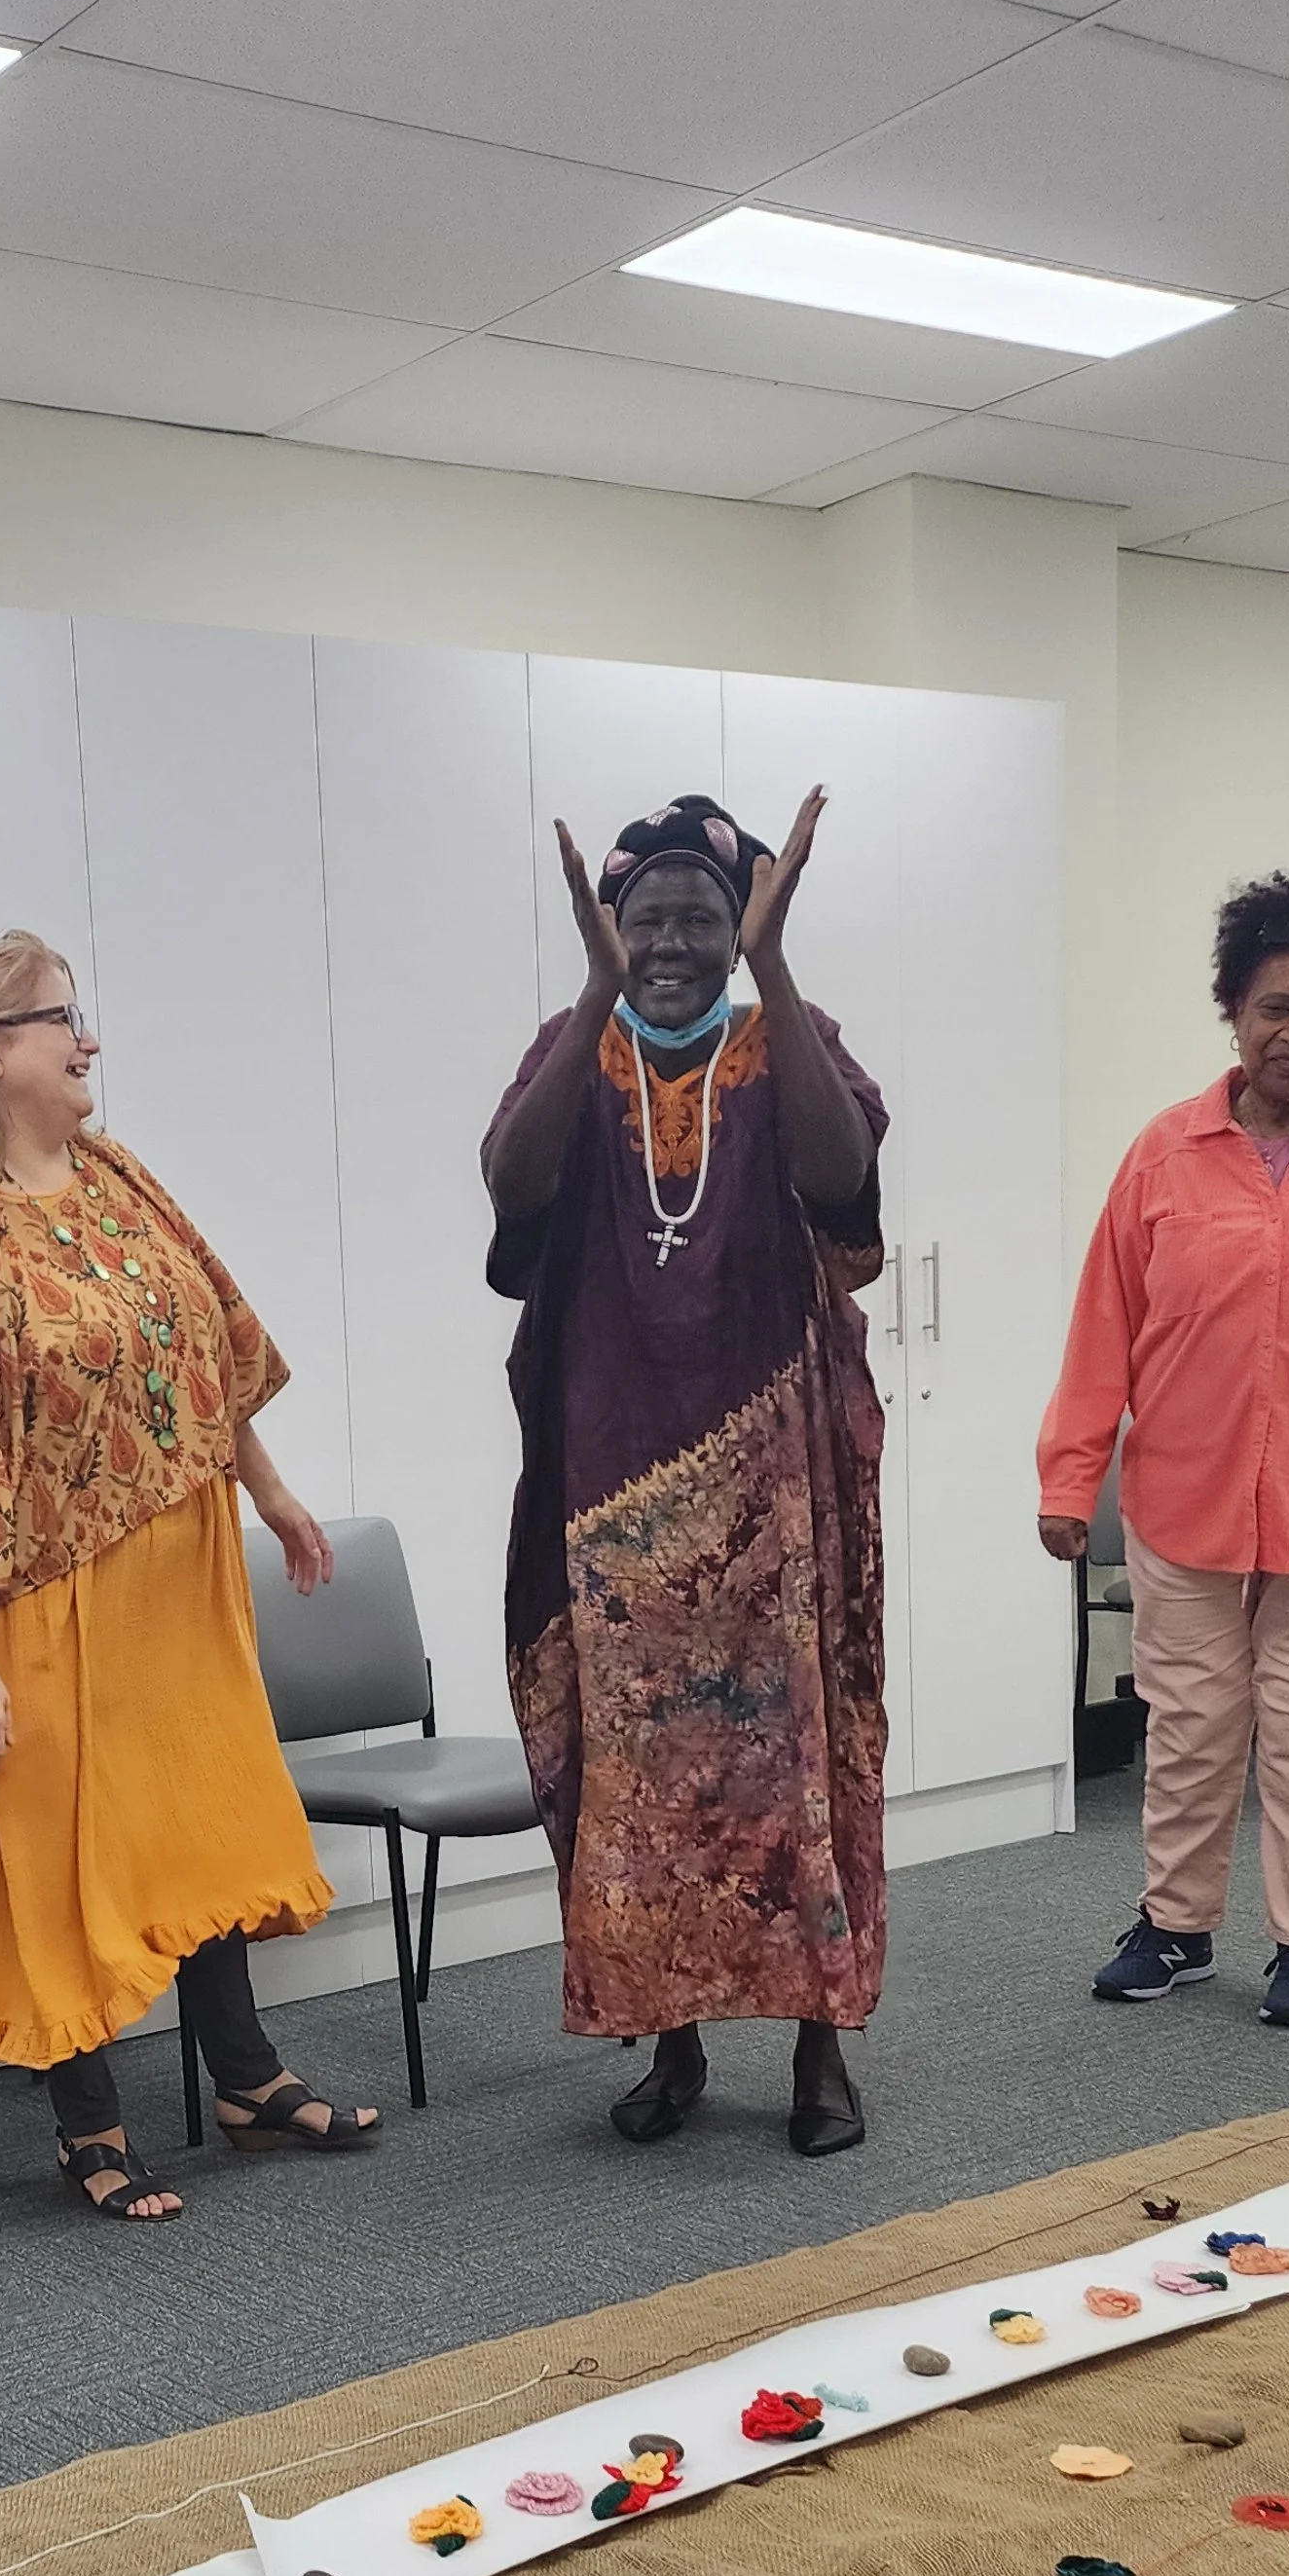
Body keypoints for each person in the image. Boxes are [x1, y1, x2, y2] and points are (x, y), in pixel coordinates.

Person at [0, 931, 375, 2218]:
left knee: (199, 1823)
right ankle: (89, 2125)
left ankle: (244, 2083)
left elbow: (208, 1340)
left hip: (176, 1569)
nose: (87, 1041)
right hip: (38, 1597)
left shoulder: (115, 1178)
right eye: (60, 1019)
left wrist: (274, 1492)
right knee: (66, 1851)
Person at [481, 790, 887, 2155]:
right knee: (638, 1774)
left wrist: (779, 972)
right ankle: (673, 2043)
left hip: (775, 1469)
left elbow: (844, 1185)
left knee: (798, 1760)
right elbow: (513, 1193)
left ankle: (822, 2052)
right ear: (611, 925)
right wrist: (589, 994)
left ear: (738, 925)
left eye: (700, 917)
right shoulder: (574, 1049)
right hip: (614, 1473)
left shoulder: (793, 1044)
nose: (670, 941)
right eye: (643, 917)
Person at [1040, 869, 1289, 2029]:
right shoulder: (1166, 1152)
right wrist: (1070, 1476)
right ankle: (1175, 1926)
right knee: (1189, 1731)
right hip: (1184, 1499)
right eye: (1277, 1008)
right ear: (1232, 1011)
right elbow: (1101, 1326)